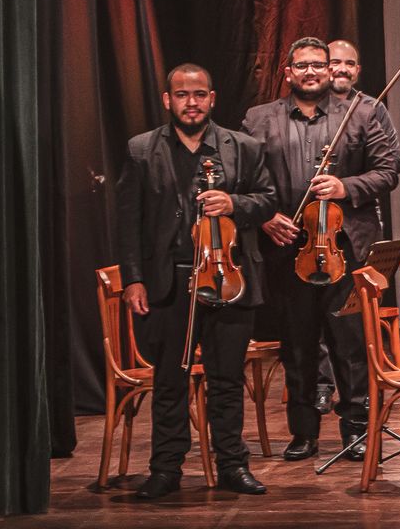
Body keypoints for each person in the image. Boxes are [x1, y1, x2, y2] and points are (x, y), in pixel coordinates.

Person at [115, 64, 276, 499]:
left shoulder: (242, 146)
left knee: (227, 381)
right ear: (168, 99)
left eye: (199, 94)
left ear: (212, 98)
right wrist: (133, 280)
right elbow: (128, 223)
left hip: (229, 278)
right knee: (170, 381)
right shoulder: (141, 149)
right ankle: (166, 469)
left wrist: (234, 202)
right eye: (182, 95)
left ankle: (232, 466)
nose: (192, 102)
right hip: (170, 283)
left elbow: (267, 200)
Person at [243, 37, 400, 464]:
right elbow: (243, 180)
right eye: (303, 66)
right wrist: (265, 216)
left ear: (329, 70)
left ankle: (355, 429)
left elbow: (389, 170)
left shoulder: (362, 112)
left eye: (319, 65)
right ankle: (304, 433)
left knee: (350, 343)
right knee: (297, 343)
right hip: (288, 247)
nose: (312, 72)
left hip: (346, 248)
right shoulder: (259, 120)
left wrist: (345, 187)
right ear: (288, 71)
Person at [318, 39, 400, 414]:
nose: (342, 69)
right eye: (335, 62)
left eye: (350, 64)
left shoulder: (371, 110)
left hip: (356, 232)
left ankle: (359, 402)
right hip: (311, 235)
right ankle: (321, 385)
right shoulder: (303, 112)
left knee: (352, 324)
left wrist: (346, 187)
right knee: (313, 321)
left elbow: (390, 167)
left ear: (358, 70)